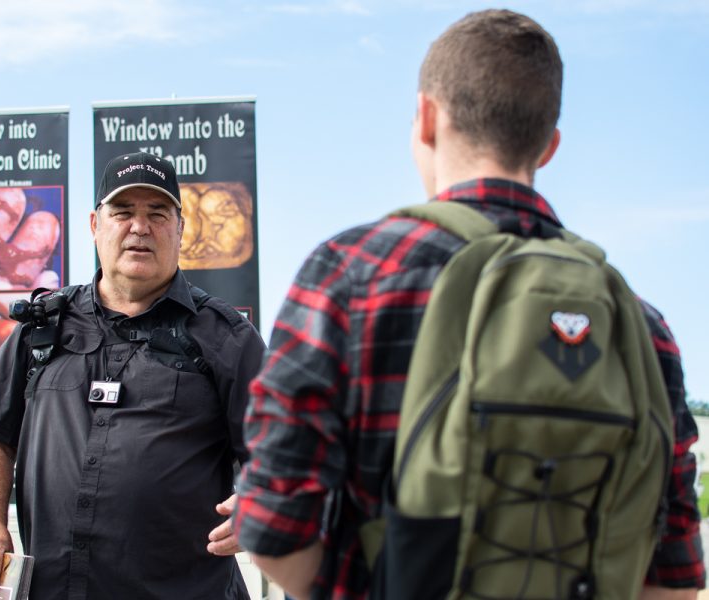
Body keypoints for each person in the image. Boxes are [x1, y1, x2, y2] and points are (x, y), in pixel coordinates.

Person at [232, 9, 704, 600]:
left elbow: (273, 526)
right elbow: (674, 576)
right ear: (550, 144)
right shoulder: (639, 324)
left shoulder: (349, 274)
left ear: (426, 119)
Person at [0, 151, 266, 599]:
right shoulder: (42, 328)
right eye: (123, 212)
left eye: (157, 214)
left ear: (180, 230)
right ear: (95, 225)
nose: (140, 227)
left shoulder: (227, 338)